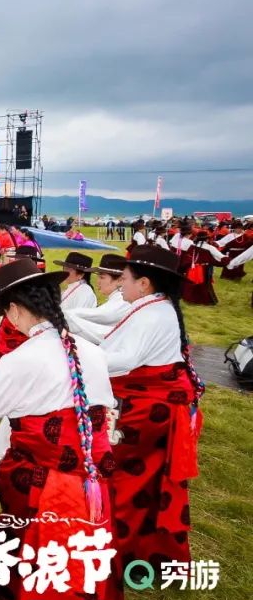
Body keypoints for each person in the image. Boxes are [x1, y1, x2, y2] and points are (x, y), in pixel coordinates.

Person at [0, 259, 122, 600]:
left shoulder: (24, 359)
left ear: (16, 311)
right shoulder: (93, 352)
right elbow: (106, 409)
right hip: (94, 479)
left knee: (40, 548)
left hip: (46, 483)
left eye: (7, 313)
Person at [99, 245, 204, 578]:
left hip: (146, 409)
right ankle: (139, 551)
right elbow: (114, 344)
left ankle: (121, 550)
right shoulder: (151, 308)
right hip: (146, 404)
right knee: (143, 480)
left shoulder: (153, 312)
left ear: (143, 283)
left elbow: (126, 358)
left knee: (126, 480)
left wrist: (76, 355)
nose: (119, 285)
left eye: (124, 279)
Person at [0, 245, 46, 378]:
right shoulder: (12, 276)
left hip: (27, 330)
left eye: (24, 260)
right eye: (18, 259)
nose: (18, 262)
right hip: (8, 327)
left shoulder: (41, 284)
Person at [64, 254, 131, 344]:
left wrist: (64, 315)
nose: (98, 281)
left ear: (119, 280)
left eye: (102, 277)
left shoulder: (123, 300)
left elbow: (101, 315)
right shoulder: (117, 298)